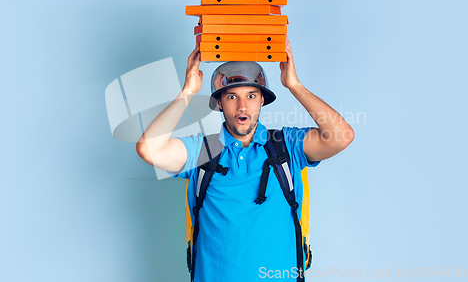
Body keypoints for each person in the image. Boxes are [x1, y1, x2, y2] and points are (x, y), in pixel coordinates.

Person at [136, 37, 354, 281]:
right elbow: (149, 149)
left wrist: (294, 85)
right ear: (219, 102)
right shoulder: (203, 150)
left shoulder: (286, 146)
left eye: (251, 96)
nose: (242, 106)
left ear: (262, 100)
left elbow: (341, 136)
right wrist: (187, 92)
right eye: (231, 97)